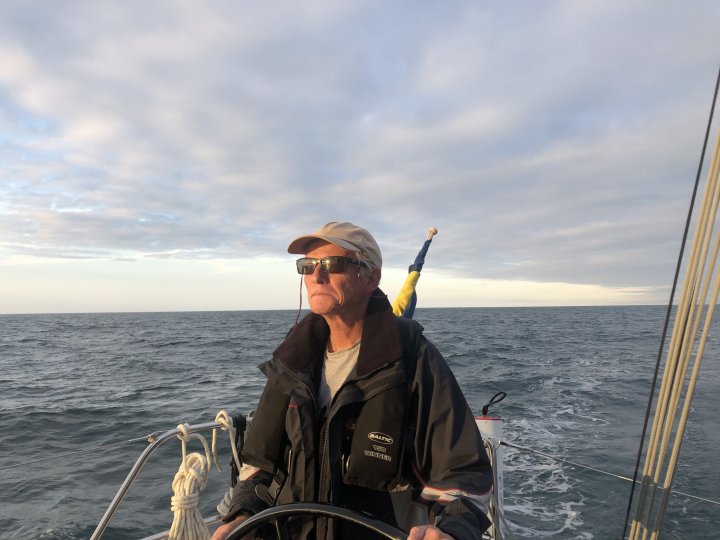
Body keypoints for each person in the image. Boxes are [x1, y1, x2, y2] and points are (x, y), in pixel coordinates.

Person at [212, 222, 492, 540]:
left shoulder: (412, 359)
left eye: (332, 264)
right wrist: (242, 517)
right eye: (307, 266)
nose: (316, 276)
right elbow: (259, 462)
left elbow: (464, 472)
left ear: (371, 278)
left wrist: (452, 531)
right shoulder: (292, 360)